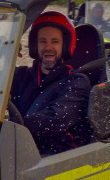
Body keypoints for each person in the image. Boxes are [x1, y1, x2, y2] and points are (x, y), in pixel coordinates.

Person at [10, 11, 92, 155]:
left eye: (55, 41)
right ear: (34, 45)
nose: (48, 47)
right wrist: (1, 53)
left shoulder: (76, 83)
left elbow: (54, 119)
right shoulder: (20, 76)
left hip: (56, 161)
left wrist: (8, 128)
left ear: (65, 45)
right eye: (43, 41)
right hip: (18, 154)